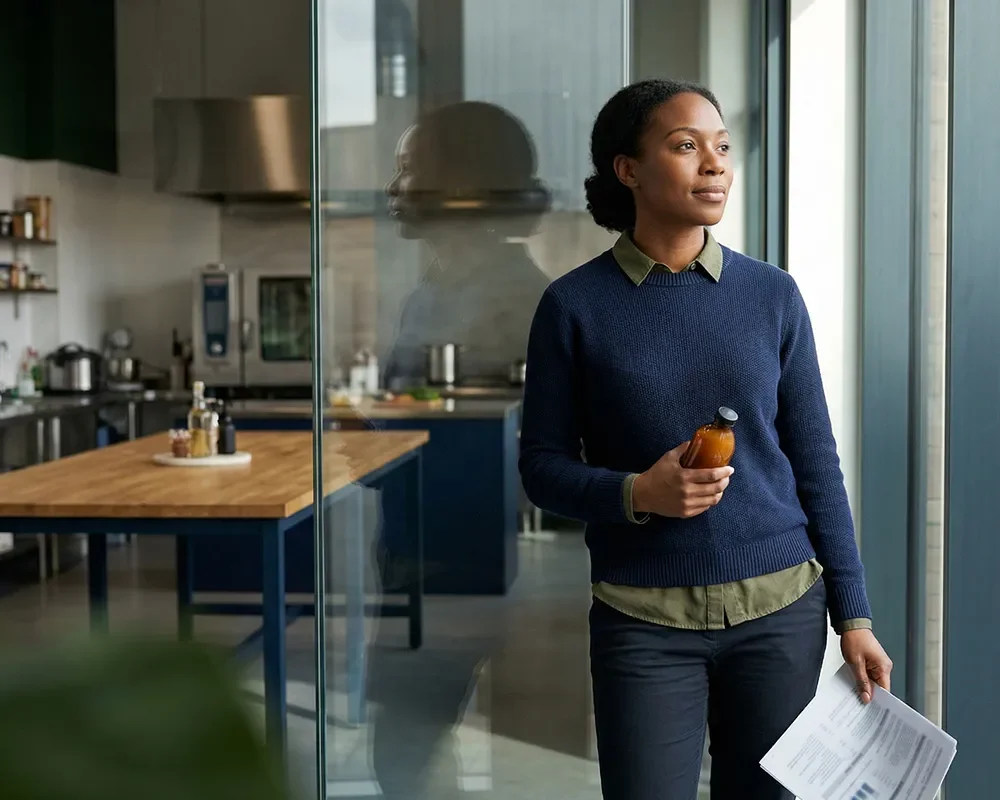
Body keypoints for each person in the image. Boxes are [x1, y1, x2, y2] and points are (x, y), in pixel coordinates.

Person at [518, 78, 892, 800]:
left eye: (721, 146)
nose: (714, 164)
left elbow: (816, 465)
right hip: (642, 621)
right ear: (629, 169)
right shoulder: (573, 306)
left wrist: (856, 615)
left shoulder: (772, 294)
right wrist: (637, 492)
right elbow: (540, 469)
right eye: (686, 146)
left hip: (781, 617)